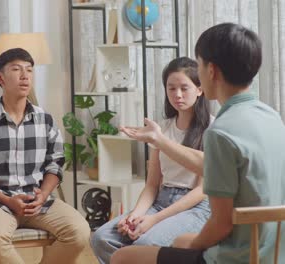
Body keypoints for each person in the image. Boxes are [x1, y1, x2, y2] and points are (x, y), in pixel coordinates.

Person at [111, 22, 285, 264]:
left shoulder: (220, 132)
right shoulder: (272, 117)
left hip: (234, 256)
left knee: (122, 258)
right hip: (272, 252)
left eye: (199, 64)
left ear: (211, 70)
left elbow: (221, 224)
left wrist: (191, 244)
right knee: (177, 242)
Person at [0, 48, 91, 264]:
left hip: (38, 201)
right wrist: (7, 199)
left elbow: (55, 164)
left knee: (79, 232)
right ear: (0, 78)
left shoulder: (45, 120)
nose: (25, 75)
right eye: (17, 69)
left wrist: (43, 195)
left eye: (29, 70)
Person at [91, 57, 213, 264]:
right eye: (171, 88)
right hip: (160, 201)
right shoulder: (161, 129)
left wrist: (153, 220)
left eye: (185, 88)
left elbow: (202, 191)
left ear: (200, 90)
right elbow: (152, 184)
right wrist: (135, 216)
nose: (178, 95)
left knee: (144, 244)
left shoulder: (212, 129)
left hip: (195, 207)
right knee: (101, 238)